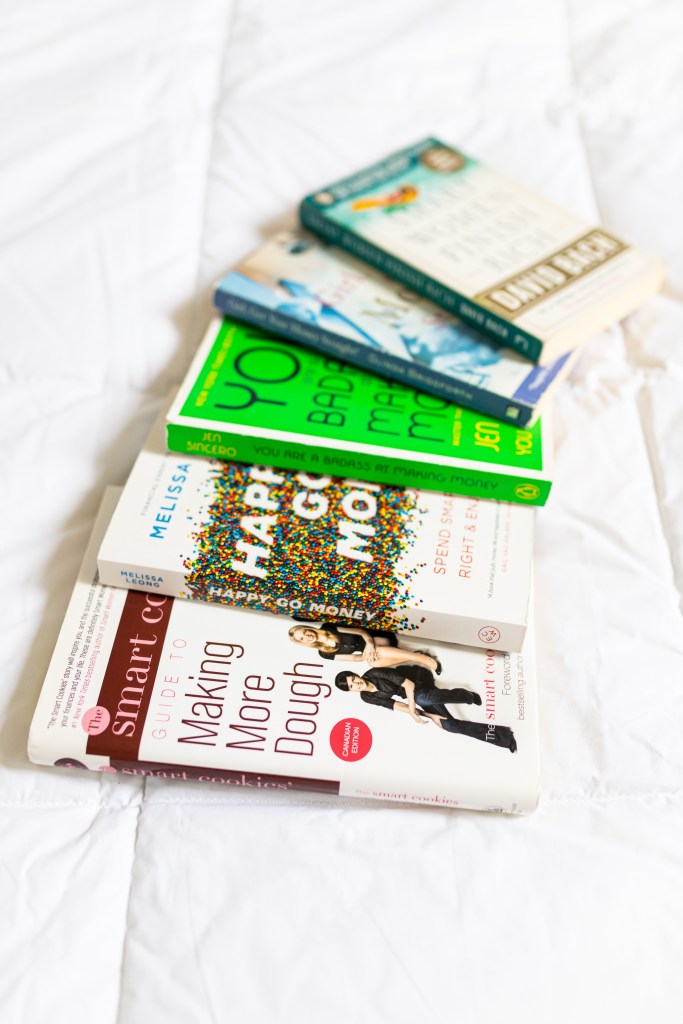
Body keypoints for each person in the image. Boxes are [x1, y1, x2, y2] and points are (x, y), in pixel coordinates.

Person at [334, 665, 517, 753]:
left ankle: (466, 696)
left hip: (418, 678)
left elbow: (409, 685)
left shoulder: (374, 673)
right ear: (351, 691)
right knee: (449, 726)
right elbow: (398, 706)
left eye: (353, 679)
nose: (356, 684)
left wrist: (413, 710)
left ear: (355, 674)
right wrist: (431, 716)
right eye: (351, 686)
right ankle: (504, 737)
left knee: (421, 697)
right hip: (415, 697)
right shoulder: (367, 697)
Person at [288, 622, 441, 673]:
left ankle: (421, 658)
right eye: (302, 638)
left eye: (305, 632)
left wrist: (369, 644)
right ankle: (418, 657)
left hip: (375, 638)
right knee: (372, 663)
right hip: (371, 652)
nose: (307, 636)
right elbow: (354, 658)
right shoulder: (324, 654)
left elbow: (361, 632)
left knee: (377, 651)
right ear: (303, 643)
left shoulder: (328, 627)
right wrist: (367, 656)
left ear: (308, 628)